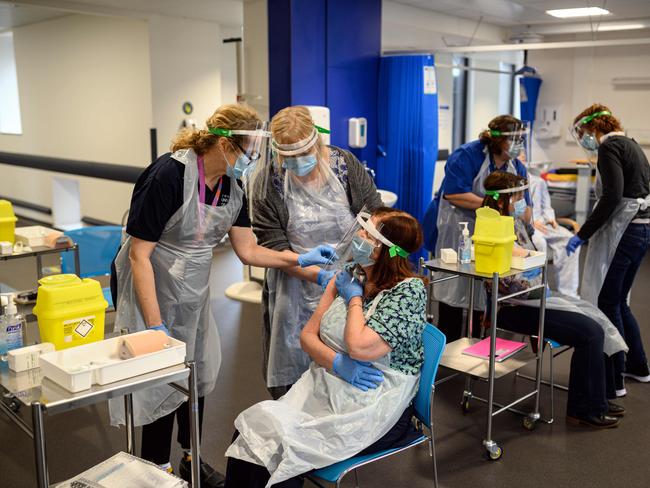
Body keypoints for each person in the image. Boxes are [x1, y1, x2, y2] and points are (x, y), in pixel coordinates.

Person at [109, 104, 336, 487]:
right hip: (150, 286)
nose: (253, 158)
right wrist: (155, 327)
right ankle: (152, 470)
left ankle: (189, 459)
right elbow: (139, 254)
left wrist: (299, 258)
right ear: (225, 143)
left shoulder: (233, 186)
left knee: (195, 373)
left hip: (193, 292)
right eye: (250, 149)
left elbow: (248, 251)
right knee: (159, 380)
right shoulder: (169, 174)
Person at [223, 208, 430, 487]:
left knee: (285, 452)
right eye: (361, 229)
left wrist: (354, 300)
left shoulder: (407, 293)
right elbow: (308, 337)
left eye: (368, 234)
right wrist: (336, 363)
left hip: (377, 404)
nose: (359, 235)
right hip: (328, 386)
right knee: (251, 432)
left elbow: (358, 347)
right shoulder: (350, 275)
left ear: (386, 250)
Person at [250, 106, 382, 400]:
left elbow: (374, 213)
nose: (297, 163)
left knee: (347, 357)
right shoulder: (269, 182)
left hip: (353, 281)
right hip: (294, 286)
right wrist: (320, 276)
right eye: (289, 158)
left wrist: (361, 260)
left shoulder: (344, 166)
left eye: (303, 154)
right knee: (296, 373)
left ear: (317, 142)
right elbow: (273, 246)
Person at [482, 171, 626, 429]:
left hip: (536, 298)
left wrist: (527, 222)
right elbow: (505, 284)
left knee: (598, 318)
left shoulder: (514, 224)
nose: (523, 201)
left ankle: (600, 398)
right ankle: (584, 410)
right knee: (590, 333)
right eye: (518, 197)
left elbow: (530, 257)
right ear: (504, 200)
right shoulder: (490, 230)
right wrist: (534, 272)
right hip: (515, 306)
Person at [422, 115, 532, 341]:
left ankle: (476, 344)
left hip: (492, 231)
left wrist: (519, 209)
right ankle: (447, 345)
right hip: (456, 226)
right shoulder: (467, 156)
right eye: (514, 138)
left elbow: (526, 207)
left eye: (521, 138)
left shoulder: (517, 166)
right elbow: (454, 194)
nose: (519, 143)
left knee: (483, 289)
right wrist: (495, 204)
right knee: (454, 284)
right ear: (497, 138)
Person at [566, 104, 650, 397]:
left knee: (607, 301)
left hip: (628, 232)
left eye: (582, 133)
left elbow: (613, 195)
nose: (584, 139)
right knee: (619, 301)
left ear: (592, 128)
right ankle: (638, 366)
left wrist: (583, 234)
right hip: (642, 231)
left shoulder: (610, 147)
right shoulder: (632, 145)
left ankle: (615, 377)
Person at [528, 173, 580, 298]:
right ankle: (543, 291)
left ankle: (569, 293)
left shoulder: (539, 182)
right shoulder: (513, 181)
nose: (522, 155)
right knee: (539, 242)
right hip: (528, 225)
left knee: (570, 240)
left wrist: (550, 218)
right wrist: (531, 222)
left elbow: (546, 206)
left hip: (544, 224)